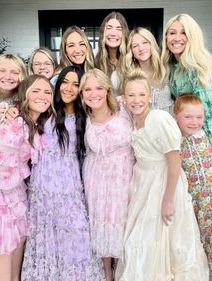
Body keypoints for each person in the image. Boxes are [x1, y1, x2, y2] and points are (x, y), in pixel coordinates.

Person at [115, 71, 209, 281]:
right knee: (140, 241)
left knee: (162, 240)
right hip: (144, 184)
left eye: (141, 94)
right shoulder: (135, 120)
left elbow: (174, 161)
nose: (136, 100)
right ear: (124, 97)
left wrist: (167, 200)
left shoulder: (158, 118)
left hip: (163, 184)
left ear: (150, 96)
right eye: (131, 95)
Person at [19, 65, 104, 281]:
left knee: (77, 235)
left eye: (76, 84)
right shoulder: (46, 110)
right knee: (47, 239)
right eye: (65, 81)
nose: (69, 88)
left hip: (70, 188)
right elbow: (23, 110)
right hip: (43, 188)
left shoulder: (85, 116)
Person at [0, 74, 55, 281]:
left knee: (18, 241)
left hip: (14, 187)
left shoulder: (35, 122)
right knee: (5, 245)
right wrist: (12, 203)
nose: (42, 96)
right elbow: (0, 169)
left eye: (47, 92)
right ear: (25, 95)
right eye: (36, 91)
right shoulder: (16, 125)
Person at [79, 68, 134, 281]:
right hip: (96, 177)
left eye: (99, 88)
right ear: (82, 93)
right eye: (88, 89)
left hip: (124, 173)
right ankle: (106, 272)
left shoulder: (123, 107)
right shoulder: (82, 117)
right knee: (100, 220)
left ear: (108, 89)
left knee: (123, 219)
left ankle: (122, 269)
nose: (94, 93)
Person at [174, 94, 212, 281]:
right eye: (188, 117)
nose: (194, 122)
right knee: (203, 239)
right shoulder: (176, 141)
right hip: (194, 202)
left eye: (199, 117)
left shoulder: (207, 136)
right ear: (176, 117)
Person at [161, 13, 212, 147]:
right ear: (166, 37)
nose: (177, 38)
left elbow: (209, 110)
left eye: (184, 33)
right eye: (172, 33)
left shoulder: (195, 67)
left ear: (192, 37)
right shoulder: (173, 65)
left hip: (205, 139)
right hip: (188, 135)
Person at [0, 53, 27, 156]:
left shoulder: (22, 98)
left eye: (14, 72)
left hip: (7, 160)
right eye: (2, 71)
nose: (7, 77)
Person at [125, 27, 173, 113]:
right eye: (135, 46)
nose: (141, 48)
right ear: (131, 51)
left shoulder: (167, 67)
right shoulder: (130, 75)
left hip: (169, 123)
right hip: (143, 124)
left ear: (152, 44)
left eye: (144, 42)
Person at [95, 11, 129, 96]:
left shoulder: (132, 59)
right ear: (103, 32)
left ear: (124, 34)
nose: (113, 33)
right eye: (109, 28)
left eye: (119, 29)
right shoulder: (94, 60)